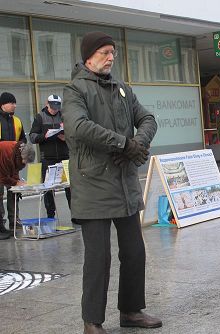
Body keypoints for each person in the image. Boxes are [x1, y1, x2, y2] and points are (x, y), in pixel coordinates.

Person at [62, 31, 161, 334]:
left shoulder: (122, 89)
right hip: (93, 187)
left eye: (113, 53)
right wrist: (123, 144)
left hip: (124, 185)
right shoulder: (75, 90)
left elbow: (148, 119)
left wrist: (137, 144)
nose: (110, 57)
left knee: (134, 251)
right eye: (105, 52)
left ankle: (131, 310)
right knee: (98, 258)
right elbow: (78, 127)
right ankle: (92, 321)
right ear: (89, 56)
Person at [29, 94, 71, 218]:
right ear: (47, 104)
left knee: (70, 187)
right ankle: (50, 215)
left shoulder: (63, 116)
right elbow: (32, 137)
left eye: (57, 107)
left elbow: (74, 134)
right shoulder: (39, 117)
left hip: (64, 156)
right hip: (47, 157)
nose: (55, 109)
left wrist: (66, 138)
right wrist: (44, 136)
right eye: (52, 107)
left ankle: (75, 214)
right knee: (48, 188)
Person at [0, 92, 27, 236]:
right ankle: (0, 226)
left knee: (15, 192)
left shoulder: (17, 120)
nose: (15, 105)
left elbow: (23, 140)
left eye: (15, 103)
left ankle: (14, 221)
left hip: (13, 164)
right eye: (12, 103)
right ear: (3, 104)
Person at [0, 141, 35, 239]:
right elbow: (2, 176)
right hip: (1, 166)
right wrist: (15, 182)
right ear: (22, 155)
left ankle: (3, 228)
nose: (25, 163)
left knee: (12, 191)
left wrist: (17, 181)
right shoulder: (8, 153)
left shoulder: (18, 155)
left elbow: (14, 171)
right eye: (25, 160)